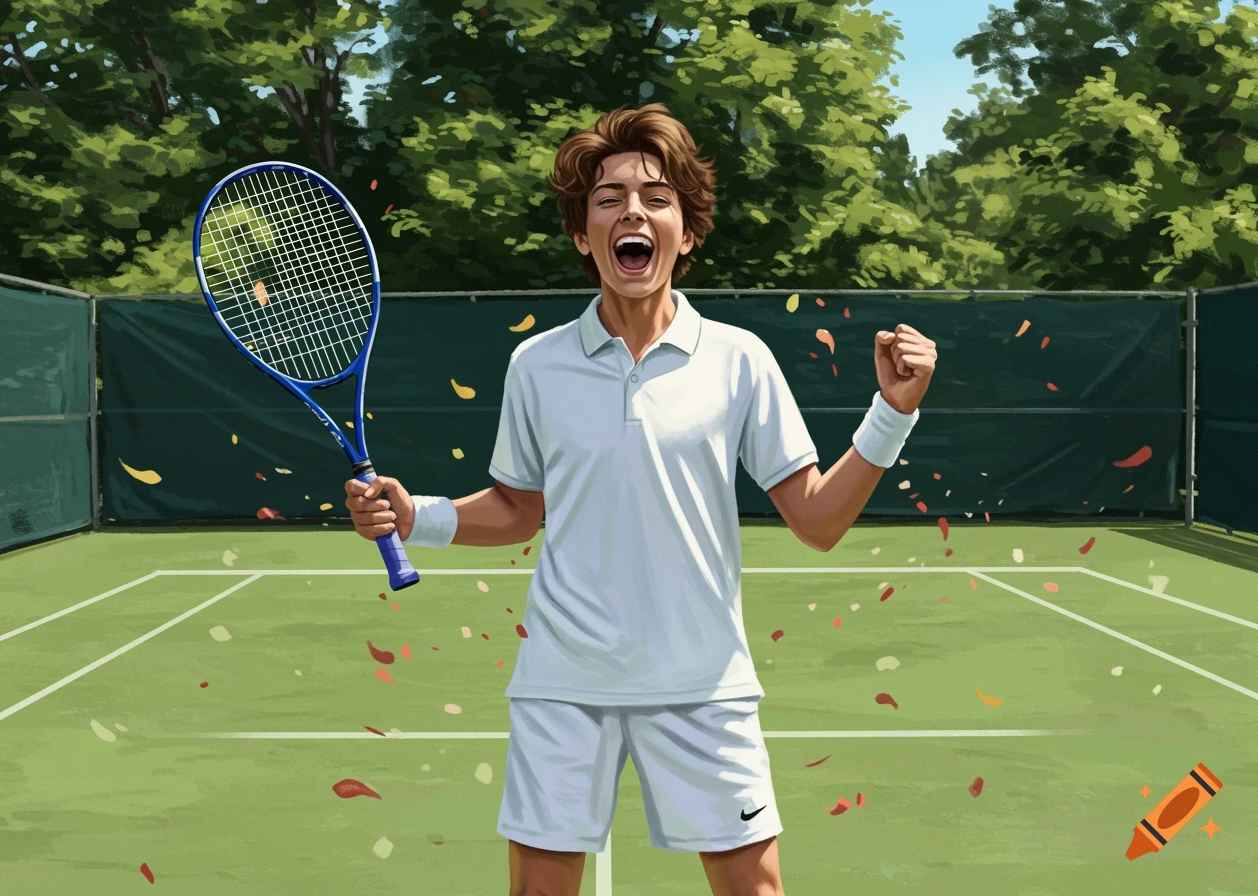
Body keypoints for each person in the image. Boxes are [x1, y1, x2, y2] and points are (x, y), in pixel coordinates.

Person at [344, 103, 937, 896]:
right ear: (583, 234)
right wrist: (418, 514)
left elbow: (819, 520)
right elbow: (521, 508)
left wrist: (892, 413)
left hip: (703, 684)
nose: (634, 211)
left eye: (657, 197)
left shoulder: (740, 361)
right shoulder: (536, 366)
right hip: (563, 681)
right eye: (609, 198)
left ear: (686, 233)